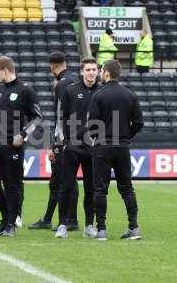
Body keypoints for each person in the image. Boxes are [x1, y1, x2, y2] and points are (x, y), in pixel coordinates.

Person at [87, 60, 143, 241]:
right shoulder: (130, 95)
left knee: (100, 189)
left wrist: (98, 137)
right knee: (127, 188)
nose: (100, 74)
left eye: (101, 71)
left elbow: (92, 125)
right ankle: (134, 227)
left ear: (107, 73)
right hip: (122, 147)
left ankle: (101, 230)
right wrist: (126, 136)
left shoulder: (98, 95)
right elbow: (139, 123)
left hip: (103, 146)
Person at [0, 55, 42, 237]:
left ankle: (11, 223)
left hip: (13, 145)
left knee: (12, 185)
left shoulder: (25, 90)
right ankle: (5, 217)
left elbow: (37, 118)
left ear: (5, 70)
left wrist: (24, 134)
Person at [29, 51, 79, 231]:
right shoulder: (76, 79)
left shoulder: (61, 84)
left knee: (62, 180)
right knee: (65, 180)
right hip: (79, 136)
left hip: (64, 139)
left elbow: (60, 116)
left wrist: (54, 143)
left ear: (52, 66)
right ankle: (53, 218)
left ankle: (69, 220)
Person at [54, 57, 101, 239]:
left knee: (91, 188)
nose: (91, 73)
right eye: (88, 70)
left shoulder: (102, 91)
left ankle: (89, 224)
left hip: (93, 149)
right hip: (72, 147)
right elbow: (62, 117)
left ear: (97, 71)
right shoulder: (70, 90)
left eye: (94, 70)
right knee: (66, 187)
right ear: (82, 72)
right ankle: (62, 225)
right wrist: (64, 140)